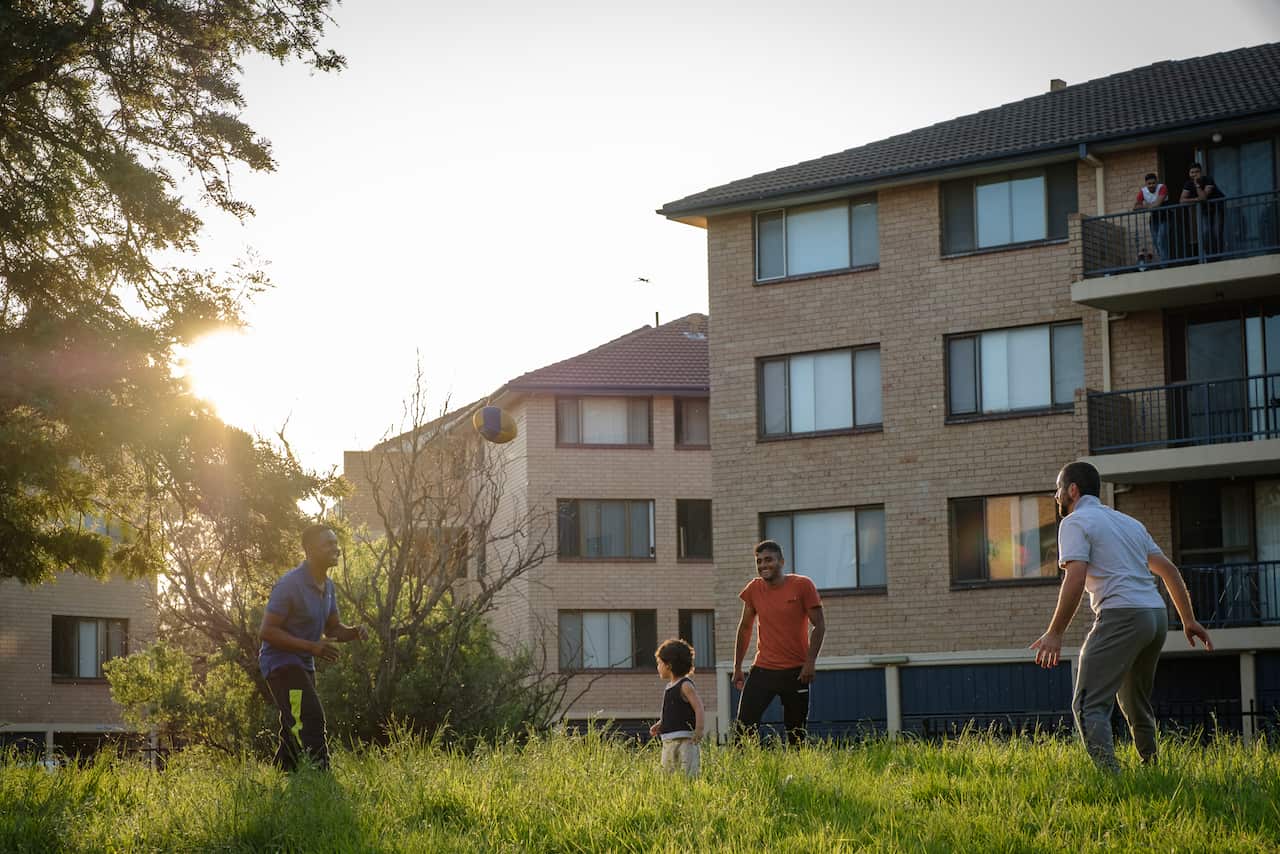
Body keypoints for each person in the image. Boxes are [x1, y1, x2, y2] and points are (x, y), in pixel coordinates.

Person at [1030, 462, 1213, 772]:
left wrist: (1055, 632)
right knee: (1134, 701)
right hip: (1154, 616)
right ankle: (1151, 768)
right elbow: (1168, 570)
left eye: (1059, 488)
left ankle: (1111, 778)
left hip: (1121, 615)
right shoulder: (1129, 523)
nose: (1056, 495)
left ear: (1073, 490)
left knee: (1088, 704)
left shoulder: (1074, 522)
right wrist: (1188, 619)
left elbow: (1075, 577)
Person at [258, 524, 366, 771]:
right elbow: (267, 631)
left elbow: (333, 628)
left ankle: (281, 774)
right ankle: (321, 776)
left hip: (304, 665)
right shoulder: (290, 584)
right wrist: (311, 647)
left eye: (335, 543)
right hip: (281, 665)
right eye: (328, 544)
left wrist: (354, 632)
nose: (335, 548)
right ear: (310, 550)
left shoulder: (328, 587)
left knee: (293, 724)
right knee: (310, 717)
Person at [732, 539, 825, 746]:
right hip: (763, 669)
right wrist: (737, 667)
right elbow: (745, 628)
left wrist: (810, 663)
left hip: (796, 672)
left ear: (781, 562)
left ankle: (797, 765)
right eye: (759, 561)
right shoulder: (754, 589)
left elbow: (819, 625)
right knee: (743, 728)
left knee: (796, 734)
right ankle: (746, 764)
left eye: (768, 560)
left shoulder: (802, 585)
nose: (763, 565)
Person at [648, 638, 705, 777]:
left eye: (659, 663)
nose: (658, 667)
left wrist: (699, 729)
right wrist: (660, 724)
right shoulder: (669, 687)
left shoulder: (685, 685)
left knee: (688, 773)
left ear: (669, 665)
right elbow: (671, 712)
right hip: (669, 739)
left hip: (686, 740)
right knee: (668, 773)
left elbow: (699, 707)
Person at [1179, 162, 1225, 256]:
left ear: (1201, 172)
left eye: (1197, 172)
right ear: (1189, 173)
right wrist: (1197, 199)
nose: (1194, 174)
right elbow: (1182, 200)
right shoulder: (1188, 184)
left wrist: (1197, 185)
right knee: (1205, 232)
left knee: (1217, 232)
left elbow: (1203, 197)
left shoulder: (1208, 180)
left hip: (1217, 208)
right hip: (1204, 210)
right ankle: (1209, 256)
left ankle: (1219, 255)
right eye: (1192, 172)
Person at [1133, 173, 1169, 265]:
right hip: (1154, 218)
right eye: (1149, 183)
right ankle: (1164, 261)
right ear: (1146, 184)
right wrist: (1150, 206)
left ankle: (1165, 264)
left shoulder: (1162, 187)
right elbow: (1136, 207)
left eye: (1153, 183)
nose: (1151, 185)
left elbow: (1158, 204)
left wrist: (1145, 206)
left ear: (1157, 182)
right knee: (1156, 242)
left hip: (1165, 216)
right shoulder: (1143, 191)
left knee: (1161, 240)